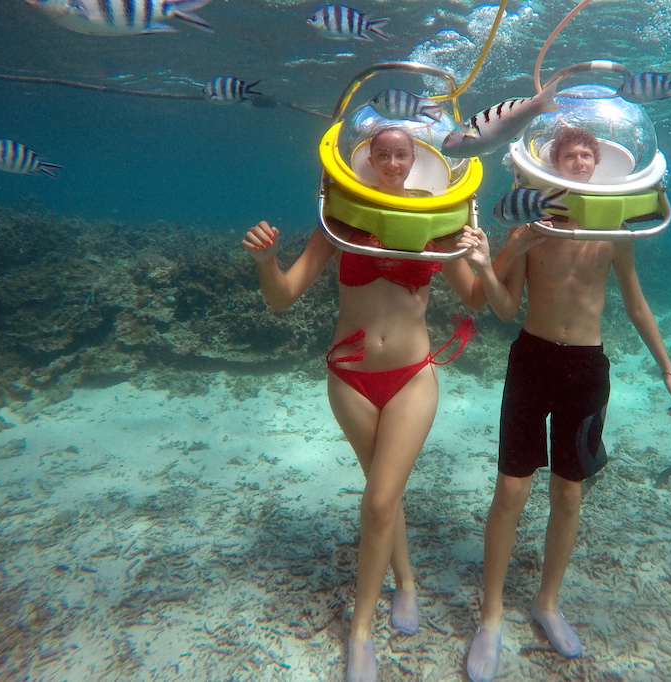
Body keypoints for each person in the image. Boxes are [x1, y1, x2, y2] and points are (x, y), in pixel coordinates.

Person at [242, 127, 485, 682]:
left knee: (378, 501)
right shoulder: (339, 224)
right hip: (349, 376)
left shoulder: (438, 224)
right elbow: (283, 299)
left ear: (417, 160)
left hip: (413, 377)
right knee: (384, 490)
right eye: (384, 153)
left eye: (404, 154)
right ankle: (405, 582)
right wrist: (266, 261)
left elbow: (476, 298)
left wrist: (493, 256)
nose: (394, 161)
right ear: (368, 161)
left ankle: (361, 635)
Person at [460, 126, 671, 682]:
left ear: (599, 166)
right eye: (571, 154)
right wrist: (498, 258)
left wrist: (667, 368)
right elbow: (503, 308)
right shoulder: (530, 228)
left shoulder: (613, 233)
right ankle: (490, 618)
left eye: (588, 154)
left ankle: (547, 603)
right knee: (511, 489)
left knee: (567, 492)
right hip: (532, 360)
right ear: (555, 166)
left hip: (587, 368)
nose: (581, 160)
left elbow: (635, 305)